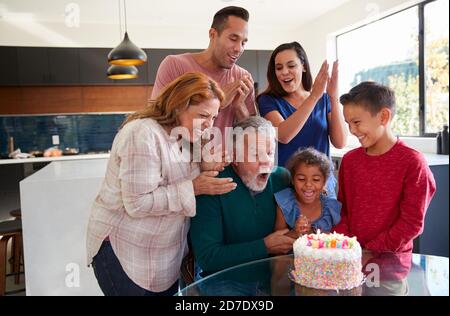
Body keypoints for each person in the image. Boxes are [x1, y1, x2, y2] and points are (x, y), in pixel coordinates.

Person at [86, 72, 238, 296]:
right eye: (203, 115)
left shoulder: (186, 137)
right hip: (124, 248)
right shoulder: (142, 134)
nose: (209, 124)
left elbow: (177, 175)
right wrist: (195, 187)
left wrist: (205, 166)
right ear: (178, 106)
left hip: (163, 256)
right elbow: (137, 203)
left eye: (214, 117)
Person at [334, 81, 436, 255]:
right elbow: (343, 211)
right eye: (348, 123)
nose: (352, 130)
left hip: (392, 264)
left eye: (357, 122)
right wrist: (350, 249)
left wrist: (370, 252)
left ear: (383, 117)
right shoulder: (349, 161)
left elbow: (411, 223)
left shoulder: (413, 162)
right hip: (352, 259)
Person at [189, 116, 295, 279]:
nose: (266, 161)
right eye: (256, 154)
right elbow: (208, 258)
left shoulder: (282, 178)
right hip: (227, 280)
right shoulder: (212, 185)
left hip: (277, 274)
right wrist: (264, 246)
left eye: (269, 153)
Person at [257, 42, 347, 197]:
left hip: (322, 184)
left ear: (303, 66)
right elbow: (284, 135)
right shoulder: (268, 100)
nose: (284, 72)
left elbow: (340, 142)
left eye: (291, 66)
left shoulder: (324, 99)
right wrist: (313, 97)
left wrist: (333, 96)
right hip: (287, 184)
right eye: (279, 68)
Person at [151, 6, 257, 133]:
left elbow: (254, 135)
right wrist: (217, 102)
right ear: (212, 34)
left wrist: (239, 107)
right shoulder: (174, 65)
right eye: (233, 39)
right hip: (180, 152)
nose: (239, 49)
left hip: (224, 153)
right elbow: (156, 121)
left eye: (243, 43)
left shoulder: (243, 78)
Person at [273, 148, 341, 239]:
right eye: (301, 179)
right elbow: (277, 242)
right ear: (293, 180)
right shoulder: (285, 203)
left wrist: (311, 232)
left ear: (324, 183)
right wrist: (295, 232)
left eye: (316, 179)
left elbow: (335, 239)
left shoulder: (331, 208)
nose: (308, 184)